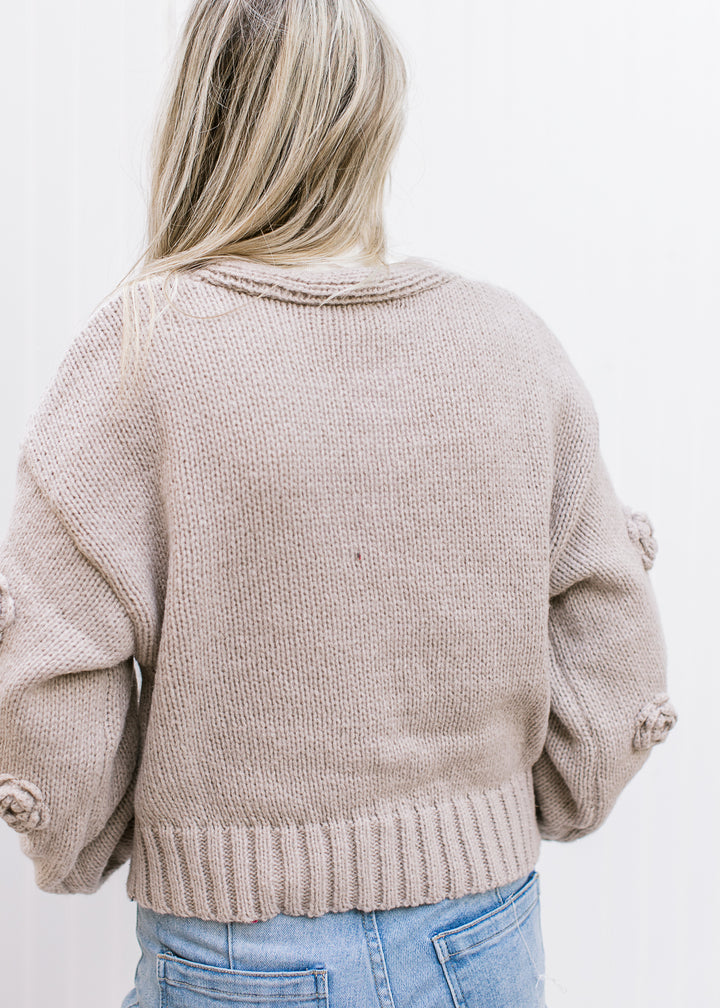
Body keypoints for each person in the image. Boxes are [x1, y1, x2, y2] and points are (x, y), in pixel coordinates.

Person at [0, 2, 678, 1006]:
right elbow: (609, 625)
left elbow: (50, 667)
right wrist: (527, 802)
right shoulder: (507, 344)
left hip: (240, 949)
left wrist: (88, 833)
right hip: (485, 930)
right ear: (375, 121)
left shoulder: (141, 354)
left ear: (200, 116)